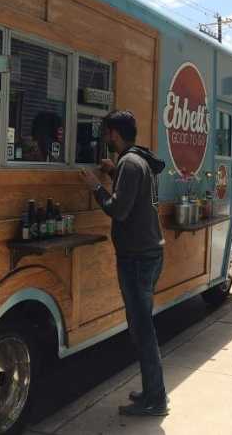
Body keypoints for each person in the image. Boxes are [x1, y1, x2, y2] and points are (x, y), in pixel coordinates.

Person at [80, 110, 168, 416]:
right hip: (146, 254)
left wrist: (95, 185)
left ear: (115, 134)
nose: (105, 138)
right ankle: (152, 392)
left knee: (142, 330)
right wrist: (112, 172)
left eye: (106, 133)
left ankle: (155, 399)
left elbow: (119, 210)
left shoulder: (129, 163)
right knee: (142, 327)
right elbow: (134, 195)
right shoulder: (134, 162)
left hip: (137, 258)